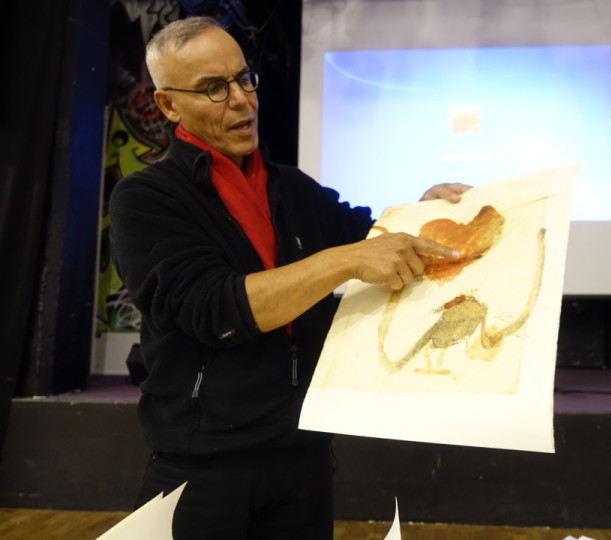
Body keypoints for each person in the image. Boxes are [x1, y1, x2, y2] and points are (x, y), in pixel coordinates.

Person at [110, 16, 469, 540]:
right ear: (168, 105)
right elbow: (216, 308)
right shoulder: (146, 199)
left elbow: (370, 234)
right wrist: (343, 261)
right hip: (204, 467)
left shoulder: (291, 188)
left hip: (304, 457)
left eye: (244, 78)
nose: (241, 100)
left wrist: (424, 210)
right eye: (214, 88)